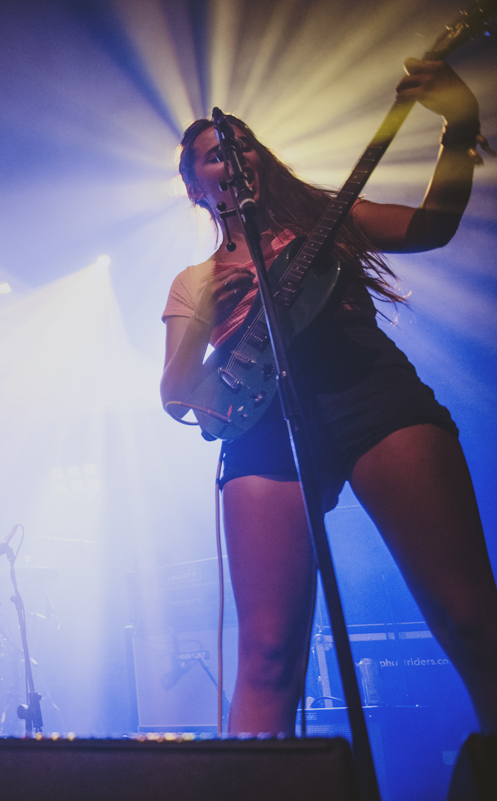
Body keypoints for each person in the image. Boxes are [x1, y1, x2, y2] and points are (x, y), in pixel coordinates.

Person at [160, 58, 497, 736]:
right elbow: (176, 395)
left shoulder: (323, 221)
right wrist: (204, 326)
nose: (232, 155)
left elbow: (431, 225)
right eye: (210, 156)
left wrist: (459, 126)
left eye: (240, 142)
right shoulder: (195, 281)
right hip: (262, 430)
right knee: (268, 653)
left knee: (470, 616)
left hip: (367, 388)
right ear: (195, 188)